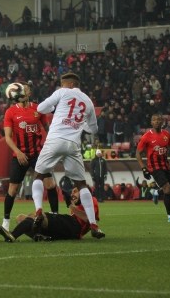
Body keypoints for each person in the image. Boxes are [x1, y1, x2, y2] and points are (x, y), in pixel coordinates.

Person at [32, 73, 105, 239]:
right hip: (73, 144)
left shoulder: (62, 92)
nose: (62, 86)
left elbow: (40, 108)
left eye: (63, 84)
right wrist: (79, 123)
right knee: (81, 184)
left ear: (71, 84)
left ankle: (38, 211)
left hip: (55, 139)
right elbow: (93, 130)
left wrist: (55, 109)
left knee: (39, 176)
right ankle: (93, 224)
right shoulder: (87, 101)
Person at [2, 82, 58, 232]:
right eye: (23, 89)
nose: (26, 91)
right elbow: (7, 137)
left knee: (50, 185)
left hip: (38, 154)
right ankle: (6, 221)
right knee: (12, 189)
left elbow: (47, 128)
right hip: (19, 155)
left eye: (27, 89)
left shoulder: (38, 108)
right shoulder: (10, 112)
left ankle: (55, 217)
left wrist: (49, 146)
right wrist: (18, 152)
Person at [0, 187, 100, 242]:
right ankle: (40, 236)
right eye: (72, 192)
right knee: (20, 217)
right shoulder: (79, 205)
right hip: (68, 225)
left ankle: (12, 235)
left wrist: (70, 206)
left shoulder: (91, 199)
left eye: (75, 191)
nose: (72, 194)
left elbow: (88, 219)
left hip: (73, 227)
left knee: (40, 216)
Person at [136, 113, 170, 222]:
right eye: (154, 120)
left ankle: (156, 192)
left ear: (162, 122)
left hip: (166, 165)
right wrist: (143, 168)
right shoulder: (146, 136)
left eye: (159, 120)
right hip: (154, 167)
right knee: (167, 189)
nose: (157, 121)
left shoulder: (167, 134)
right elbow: (138, 153)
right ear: (151, 122)